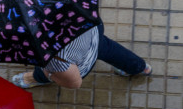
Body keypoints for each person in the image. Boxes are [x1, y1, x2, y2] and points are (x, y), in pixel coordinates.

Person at [11, 24, 152, 89]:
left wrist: (49, 75)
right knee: (109, 48)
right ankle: (139, 67)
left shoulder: (52, 56)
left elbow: (74, 82)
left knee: (44, 72)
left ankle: (36, 78)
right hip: (93, 32)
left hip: (83, 61)